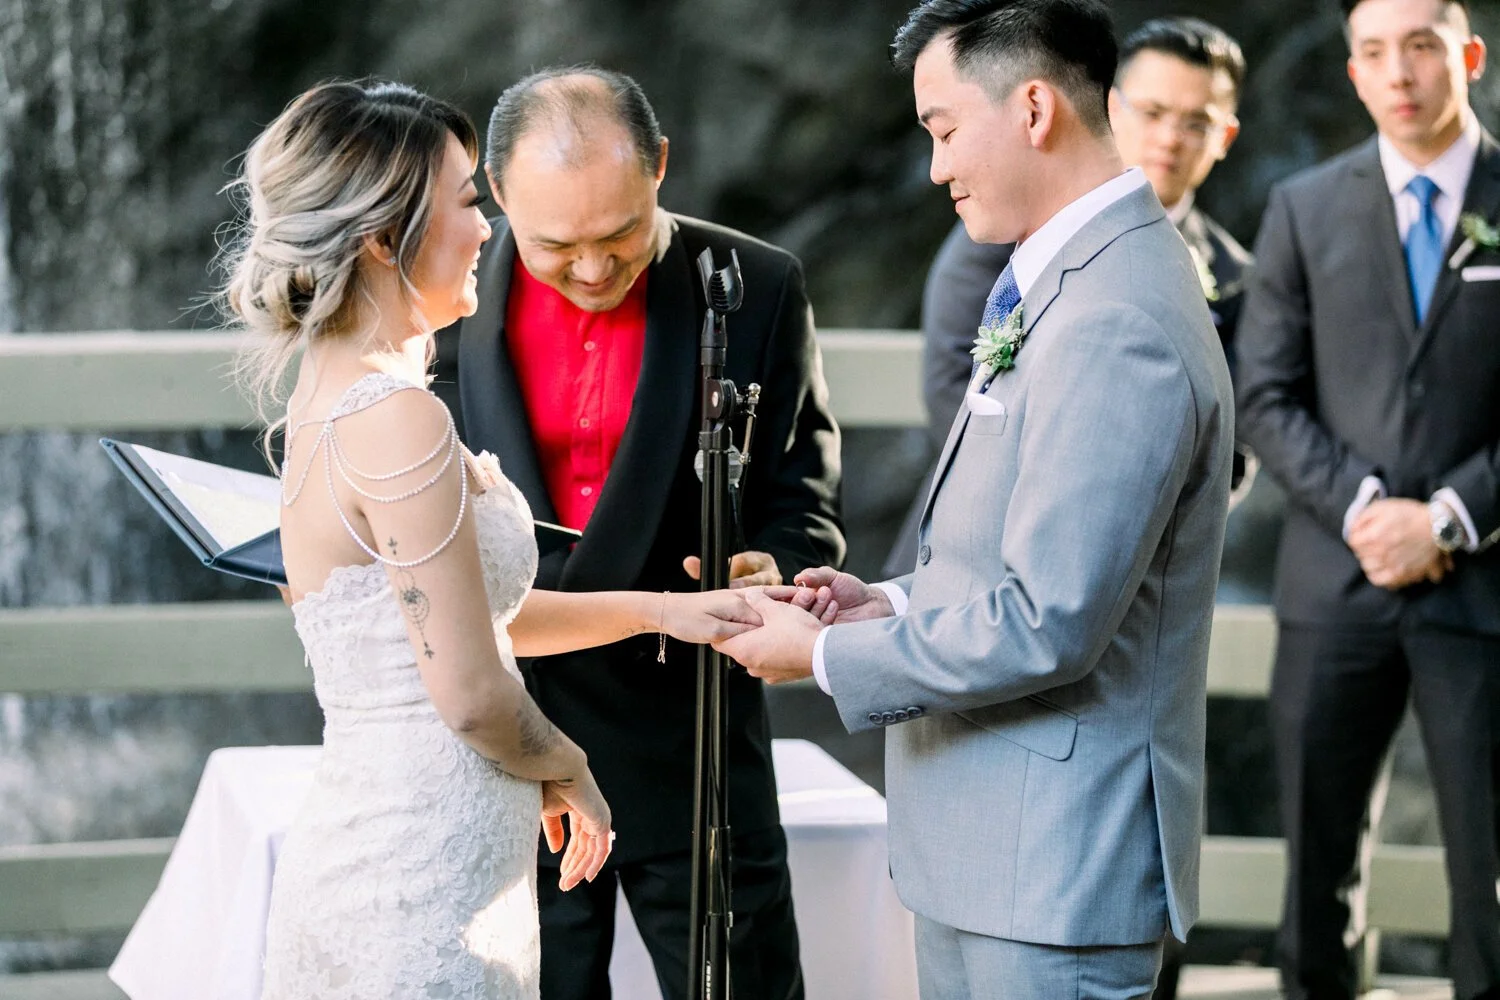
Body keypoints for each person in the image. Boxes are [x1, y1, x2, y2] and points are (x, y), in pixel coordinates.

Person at [716, 1, 1235, 996]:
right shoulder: (1064, 279)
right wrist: (890, 603)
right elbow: (1018, 555)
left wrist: (825, 653)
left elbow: (1050, 620)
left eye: (945, 130)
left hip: (1053, 873)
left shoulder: (1115, 314)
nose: (935, 168)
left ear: (1034, 107)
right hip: (996, 857)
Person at [220, 80, 762, 1000]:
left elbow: (470, 619)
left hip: (384, 849)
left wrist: (671, 611)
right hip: (422, 881)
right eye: (470, 201)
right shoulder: (398, 419)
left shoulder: (324, 398)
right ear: (383, 241)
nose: (485, 229)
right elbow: (471, 694)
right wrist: (568, 763)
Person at [430, 68, 843, 1000]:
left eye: (618, 236)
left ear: (660, 166)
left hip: (689, 733)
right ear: (499, 193)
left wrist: (776, 557)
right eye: (555, 246)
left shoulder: (760, 285)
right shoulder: (438, 299)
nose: (589, 269)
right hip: (508, 742)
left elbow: (804, 488)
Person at [1234, 0, 1500, 996]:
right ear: (1352, 73)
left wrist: (1447, 518)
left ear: (1467, 57)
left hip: (1483, 584)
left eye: (1423, 48)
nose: (1401, 74)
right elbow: (1263, 391)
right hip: (1333, 586)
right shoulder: (1303, 206)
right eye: (1376, 54)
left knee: (1491, 875)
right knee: (1315, 872)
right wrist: (1369, 510)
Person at [884, 14, 1254, 579]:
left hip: (1112, 568)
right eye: (1153, 113)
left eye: (1195, 122)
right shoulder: (999, 227)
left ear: (1225, 135)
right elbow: (954, 387)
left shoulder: (1233, 272)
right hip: (972, 554)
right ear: (1111, 104)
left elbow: (1236, 430)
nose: (1170, 139)